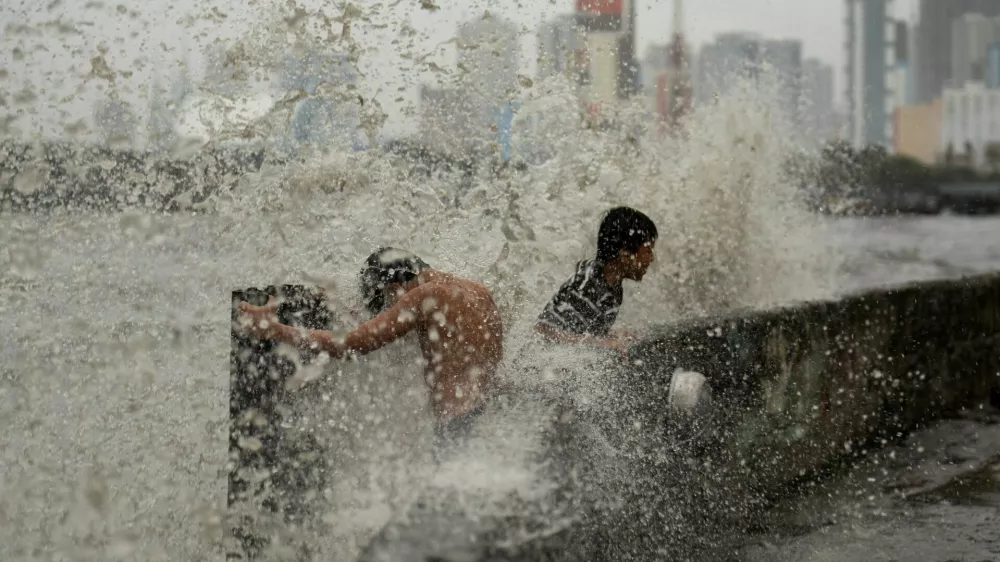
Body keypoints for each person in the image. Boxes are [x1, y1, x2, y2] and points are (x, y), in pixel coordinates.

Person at [235, 247, 504, 455]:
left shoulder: (425, 295)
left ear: (394, 286)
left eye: (389, 301)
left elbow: (351, 343)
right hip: (488, 417)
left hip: (457, 426)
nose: (392, 308)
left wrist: (273, 329)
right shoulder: (479, 292)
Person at [534, 206, 658, 354]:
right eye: (648, 250)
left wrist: (613, 334)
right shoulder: (587, 285)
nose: (651, 258)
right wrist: (603, 342)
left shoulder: (612, 285)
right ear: (624, 254)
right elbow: (543, 331)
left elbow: (581, 329)